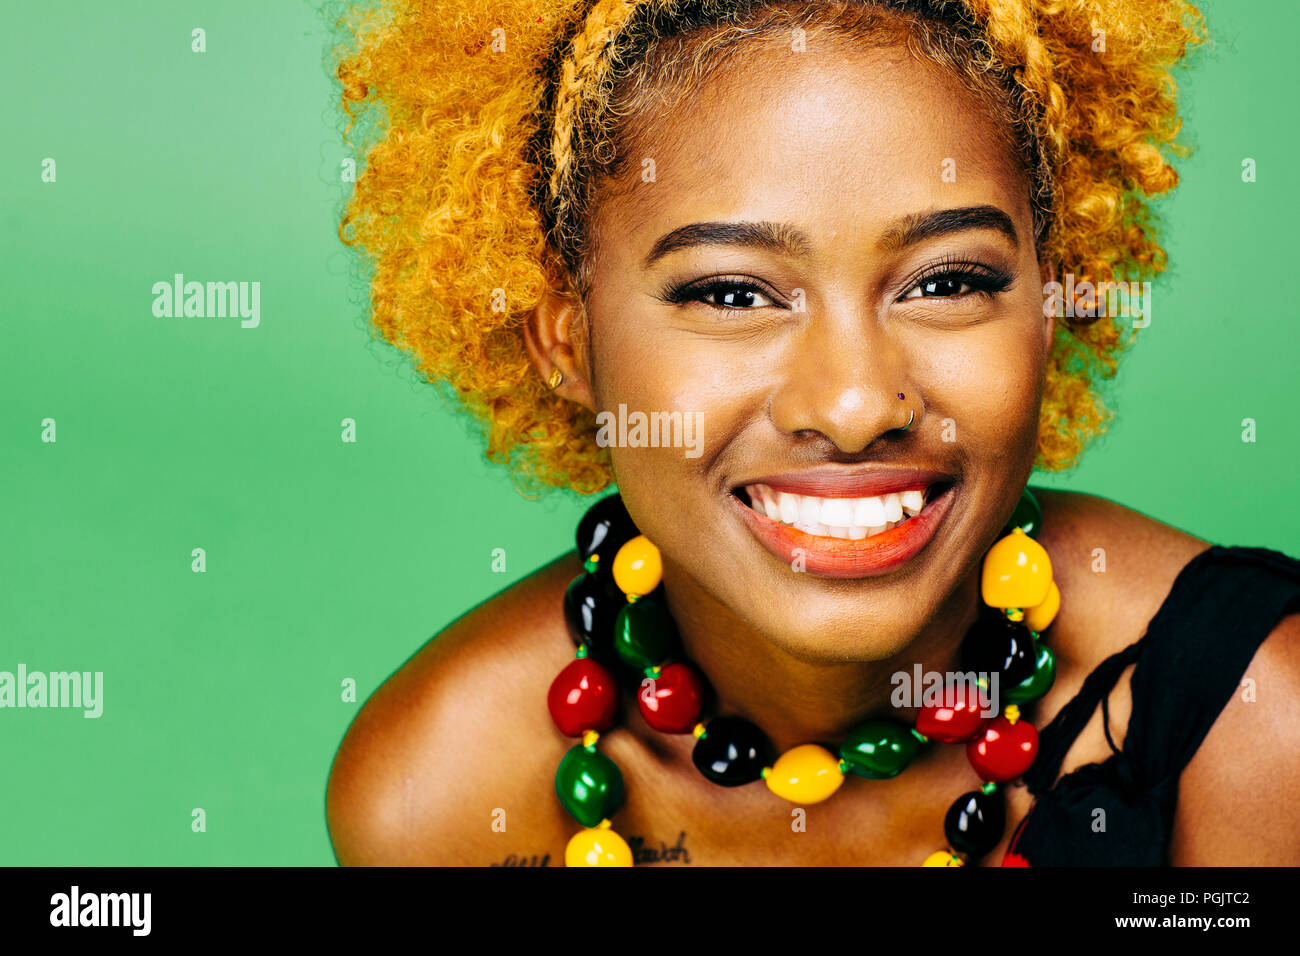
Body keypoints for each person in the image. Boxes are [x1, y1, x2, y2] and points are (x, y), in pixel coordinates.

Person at [323, 0, 1300, 865]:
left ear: (1050, 307)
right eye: (730, 292)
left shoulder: (1256, 724)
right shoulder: (440, 792)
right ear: (566, 343)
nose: (853, 404)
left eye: (947, 282)